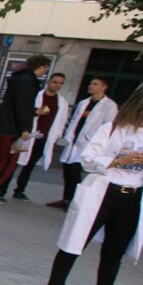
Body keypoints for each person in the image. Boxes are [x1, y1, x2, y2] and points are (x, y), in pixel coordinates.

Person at [42, 83, 143, 285]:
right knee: (75, 241)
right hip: (104, 192)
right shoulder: (113, 128)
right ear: (135, 107)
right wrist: (118, 161)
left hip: (133, 196)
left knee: (114, 251)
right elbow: (87, 158)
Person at [0, 54, 49, 203]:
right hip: (12, 128)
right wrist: (25, 128)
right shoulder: (28, 82)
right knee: (8, 161)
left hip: (5, 125)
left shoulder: (19, 79)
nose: (45, 71)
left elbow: (20, 104)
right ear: (40, 67)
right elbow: (22, 106)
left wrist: (34, 111)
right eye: (45, 68)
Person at [48, 77, 115, 211]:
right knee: (67, 171)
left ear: (104, 87)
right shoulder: (84, 102)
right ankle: (66, 199)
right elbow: (74, 120)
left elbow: (109, 127)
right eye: (91, 83)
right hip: (74, 141)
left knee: (75, 172)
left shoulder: (109, 106)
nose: (91, 86)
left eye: (95, 84)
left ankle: (74, 201)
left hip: (88, 144)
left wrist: (91, 138)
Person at [10, 71, 69, 199]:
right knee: (14, 162)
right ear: (48, 82)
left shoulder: (62, 102)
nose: (57, 85)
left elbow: (62, 121)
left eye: (60, 83)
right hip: (28, 135)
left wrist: (57, 135)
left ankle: (20, 190)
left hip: (44, 138)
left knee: (30, 165)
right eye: (55, 82)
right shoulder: (37, 96)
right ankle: (2, 187)